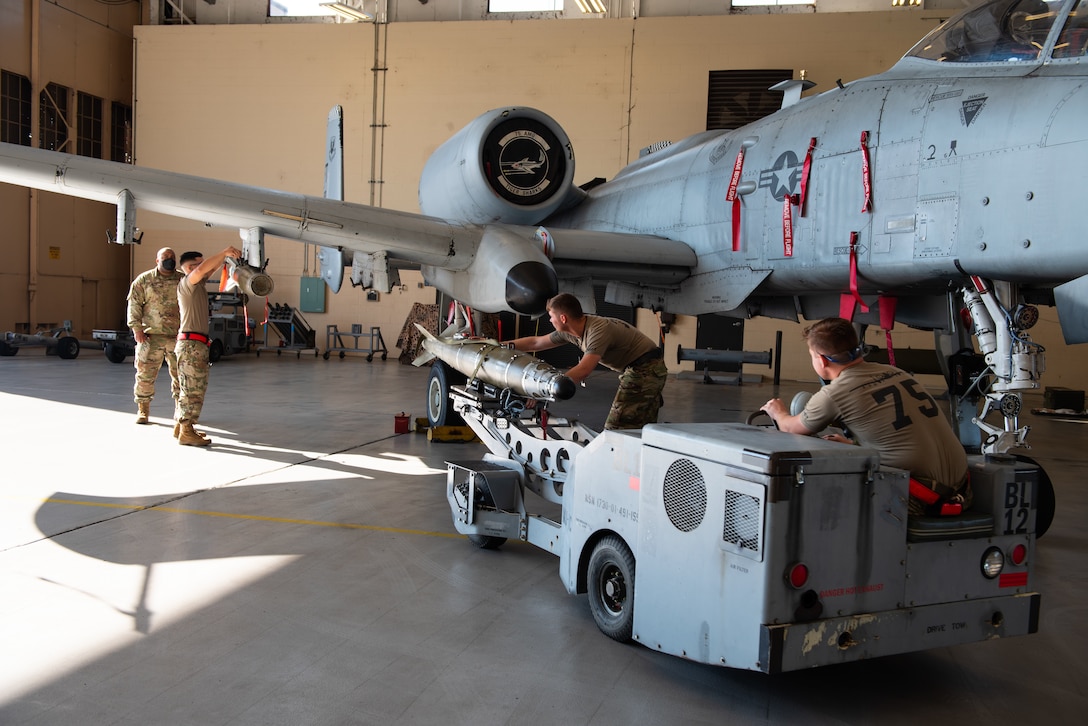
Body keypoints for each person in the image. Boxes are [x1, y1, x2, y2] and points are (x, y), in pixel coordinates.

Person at [760, 317, 971, 516]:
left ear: (821, 360)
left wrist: (779, 411)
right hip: (964, 489)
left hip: (921, 498)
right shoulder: (895, 372)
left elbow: (790, 428)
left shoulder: (835, 393)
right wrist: (854, 444)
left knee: (816, 498)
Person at [505, 293, 667, 430]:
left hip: (646, 369)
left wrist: (546, 389)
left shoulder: (597, 331)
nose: (550, 321)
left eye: (551, 317)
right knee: (641, 428)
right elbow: (536, 343)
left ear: (563, 318)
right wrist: (499, 345)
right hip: (641, 368)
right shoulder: (570, 331)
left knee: (617, 428)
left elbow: (584, 369)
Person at [174, 246, 243, 446]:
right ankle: (186, 430)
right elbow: (203, 270)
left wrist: (223, 261)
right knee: (192, 389)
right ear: (189, 267)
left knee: (188, 387)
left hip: (195, 344)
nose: (206, 268)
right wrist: (223, 253)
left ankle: (181, 427)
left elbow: (207, 270)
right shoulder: (188, 283)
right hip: (191, 345)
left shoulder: (196, 287)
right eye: (200, 263)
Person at [127, 247, 184, 425]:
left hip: (177, 337)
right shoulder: (144, 280)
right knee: (145, 375)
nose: (170, 260)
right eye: (165, 257)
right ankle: (143, 410)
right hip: (150, 337)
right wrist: (136, 329)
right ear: (157, 261)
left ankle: (181, 412)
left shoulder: (183, 280)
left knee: (181, 376)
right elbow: (134, 305)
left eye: (172, 257)